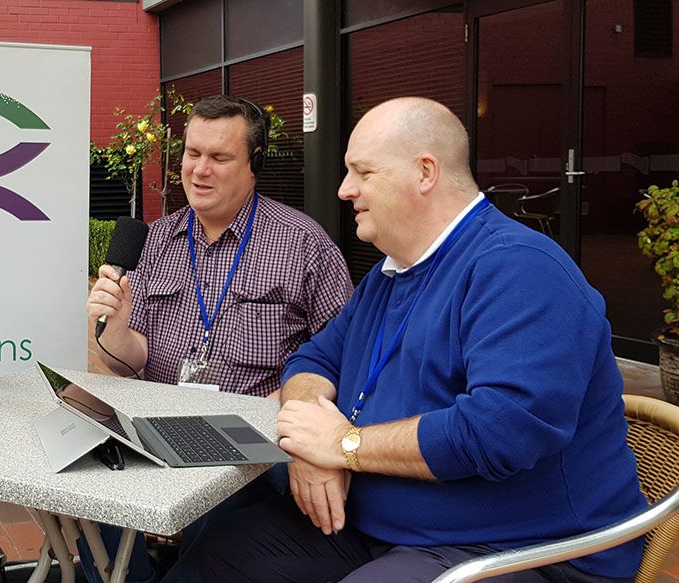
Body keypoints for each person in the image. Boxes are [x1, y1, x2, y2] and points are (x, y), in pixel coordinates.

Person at [198, 97, 649, 582]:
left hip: (525, 550)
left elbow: (501, 431)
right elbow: (311, 360)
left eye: (362, 172)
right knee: (219, 550)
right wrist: (311, 440)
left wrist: (345, 445)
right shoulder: (389, 277)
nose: (345, 189)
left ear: (425, 172)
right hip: (380, 530)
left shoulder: (520, 268)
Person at [82, 95, 355, 582]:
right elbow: (131, 361)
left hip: (253, 438)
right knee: (83, 484)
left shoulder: (303, 244)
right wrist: (116, 331)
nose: (199, 170)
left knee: (220, 513)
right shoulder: (157, 242)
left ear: (255, 166)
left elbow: (344, 358)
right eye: (191, 154)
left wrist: (285, 410)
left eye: (219, 157)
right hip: (159, 426)